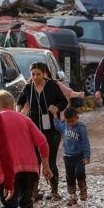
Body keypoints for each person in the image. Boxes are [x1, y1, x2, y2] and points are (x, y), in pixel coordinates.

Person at [0, 91, 51, 208]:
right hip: (29, 169)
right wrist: (46, 166)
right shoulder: (25, 119)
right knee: (26, 202)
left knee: (9, 207)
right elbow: (43, 142)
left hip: (6, 171)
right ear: (12, 105)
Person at [17, 62, 68, 200]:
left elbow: (64, 101)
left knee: (51, 160)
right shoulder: (28, 88)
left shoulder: (52, 86)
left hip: (51, 129)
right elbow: (19, 101)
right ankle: (34, 191)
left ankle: (54, 190)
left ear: (44, 73)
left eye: (38, 74)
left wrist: (57, 107)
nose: (35, 77)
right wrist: (20, 112)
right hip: (33, 129)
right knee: (35, 161)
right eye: (33, 74)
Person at [54, 107, 91, 206]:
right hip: (68, 157)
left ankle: (83, 189)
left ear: (77, 117)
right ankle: (72, 196)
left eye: (72, 121)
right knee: (69, 176)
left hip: (79, 156)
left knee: (79, 173)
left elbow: (85, 142)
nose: (70, 123)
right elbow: (57, 125)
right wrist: (54, 115)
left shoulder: (81, 127)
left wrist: (87, 157)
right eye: (68, 121)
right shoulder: (65, 126)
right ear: (65, 119)